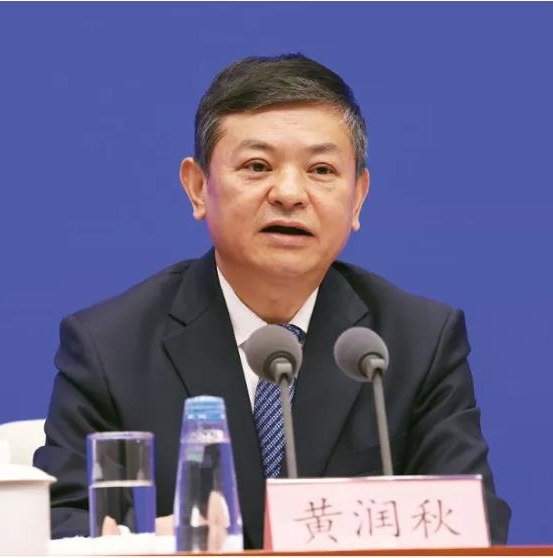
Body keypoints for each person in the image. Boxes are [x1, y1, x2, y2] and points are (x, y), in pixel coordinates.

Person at [33, 53, 511, 548]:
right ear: (198, 188)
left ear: (358, 198)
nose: (289, 193)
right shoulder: (111, 347)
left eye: (321, 169)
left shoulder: (416, 341)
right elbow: (56, 523)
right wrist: (160, 542)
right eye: (257, 166)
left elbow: (474, 522)